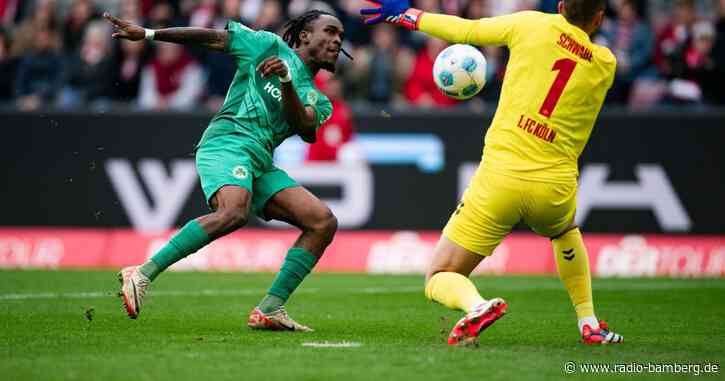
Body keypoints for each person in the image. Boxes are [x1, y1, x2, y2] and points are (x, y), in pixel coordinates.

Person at [361, 0, 624, 346]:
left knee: (440, 275)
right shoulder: (606, 63)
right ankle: (589, 322)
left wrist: (408, 15)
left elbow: (466, 31)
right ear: (600, 18)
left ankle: (478, 305)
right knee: (564, 232)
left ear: (560, 6)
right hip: (555, 185)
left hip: (501, 177)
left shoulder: (531, 25)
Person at [105, 8, 347, 331]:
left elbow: (303, 126)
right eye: (330, 32)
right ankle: (142, 272)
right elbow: (213, 39)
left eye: (340, 37)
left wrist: (287, 79)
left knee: (322, 221)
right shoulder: (265, 45)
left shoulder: (318, 99)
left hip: (259, 161)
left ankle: (270, 308)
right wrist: (149, 34)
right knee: (234, 211)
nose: (336, 40)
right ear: (305, 36)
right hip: (227, 142)